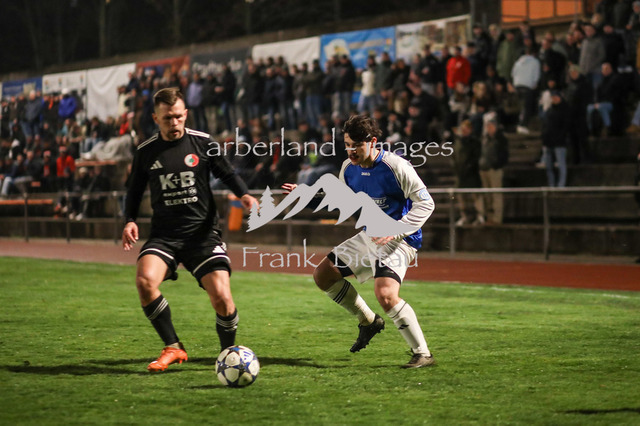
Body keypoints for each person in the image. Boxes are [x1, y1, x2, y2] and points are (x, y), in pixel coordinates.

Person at [282, 114, 436, 368]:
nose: (351, 151)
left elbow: (426, 203)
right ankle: (368, 321)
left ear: (373, 142)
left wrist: (397, 229)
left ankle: (423, 354)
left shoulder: (397, 166)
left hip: (401, 239)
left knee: (385, 294)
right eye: (347, 145)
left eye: (356, 145)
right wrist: (308, 195)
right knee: (323, 275)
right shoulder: (348, 168)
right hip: (370, 235)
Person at [122, 87, 258, 372]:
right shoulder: (146, 151)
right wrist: (130, 220)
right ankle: (173, 347)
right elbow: (134, 190)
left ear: (185, 114)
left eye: (178, 116)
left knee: (222, 298)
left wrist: (244, 195)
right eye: (167, 118)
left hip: (202, 236)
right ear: (155, 118)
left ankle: (227, 355)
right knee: (145, 281)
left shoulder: (203, 142)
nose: (174, 123)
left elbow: (227, 173)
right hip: (165, 236)